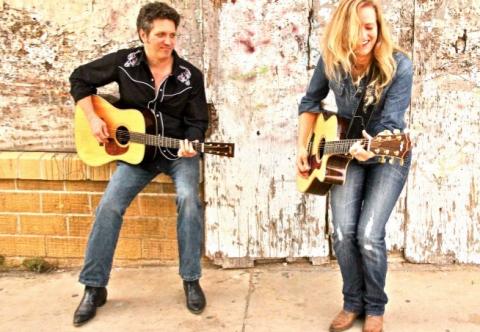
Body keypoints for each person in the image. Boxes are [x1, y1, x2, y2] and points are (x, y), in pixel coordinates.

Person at [69, 2, 208, 326]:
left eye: (172, 35)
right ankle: (94, 287)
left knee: (189, 200)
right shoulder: (124, 63)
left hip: (176, 155)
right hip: (134, 156)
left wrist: (192, 142)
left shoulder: (190, 76)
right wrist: (92, 118)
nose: (168, 41)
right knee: (109, 206)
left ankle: (191, 279)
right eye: (160, 34)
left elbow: (198, 121)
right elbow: (80, 79)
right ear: (142, 34)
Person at [297, 1, 413, 331]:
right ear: (342, 28)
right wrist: (304, 148)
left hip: (386, 152)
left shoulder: (399, 65)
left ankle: (375, 307)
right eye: (358, 27)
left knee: (369, 234)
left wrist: (373, 149)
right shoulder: (332, 59)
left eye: (370, 27)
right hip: (344, 153)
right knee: (343, 232)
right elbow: (309, 102)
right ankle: (352, 302)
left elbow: (391, 123)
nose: (364, 35)